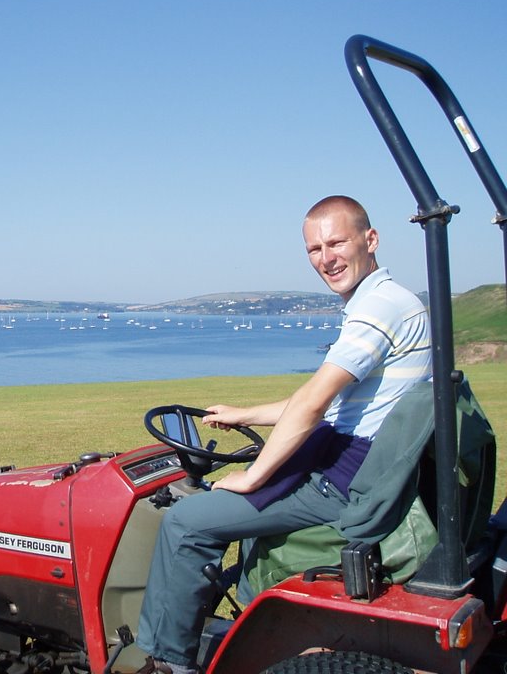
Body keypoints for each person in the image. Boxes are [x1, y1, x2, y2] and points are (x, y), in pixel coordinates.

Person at [135, 195, 432, 674]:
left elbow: (313, 404)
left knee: (186, 522)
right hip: (358, 464)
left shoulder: (378, 308)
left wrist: (254, 477)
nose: (326, 258)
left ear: (370, 239)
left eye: (336, 242)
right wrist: (245, 414)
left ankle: (168, 661)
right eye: (314, 249)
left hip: (344, 481)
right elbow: (325, 400)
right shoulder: (390, 302)